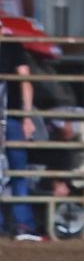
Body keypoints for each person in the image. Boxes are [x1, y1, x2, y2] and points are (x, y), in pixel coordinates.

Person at [0, 27, 44, 240]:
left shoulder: (12, 45)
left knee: (17, 170)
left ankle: (22, 224)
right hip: (13, 117)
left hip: (13, 117)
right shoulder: (13, 45)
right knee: (18, 172)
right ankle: (23, 225)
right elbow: (25, 80)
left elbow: (26, 82)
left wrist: (26, 116)